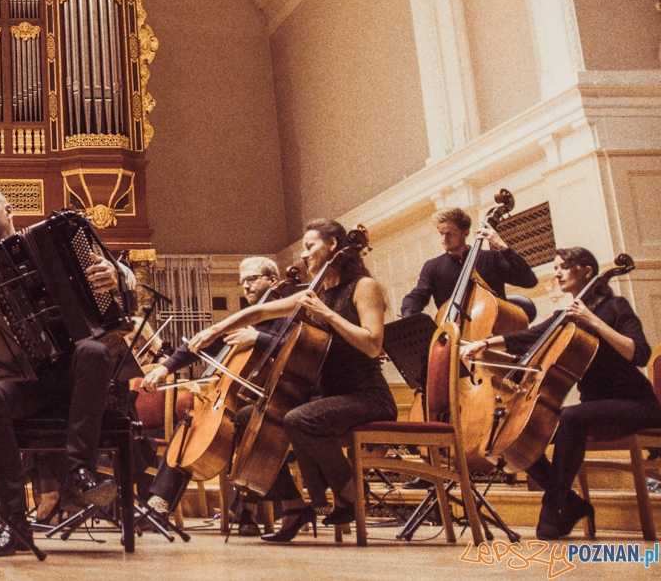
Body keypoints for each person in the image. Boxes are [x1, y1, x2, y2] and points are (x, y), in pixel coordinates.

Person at [0, 190, 134, 556]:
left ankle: (79, 472)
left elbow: (124, 286)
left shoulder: (61, 245)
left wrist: (115, 276)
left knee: (94, 350)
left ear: (9, 211)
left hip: (79, 376)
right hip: (27, 382)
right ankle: (15, 523)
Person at [207, 219, 396, 541]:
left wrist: (328, 313)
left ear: (333, 245)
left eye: (310, 246)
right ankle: (294, 506)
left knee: (299, 419)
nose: (304, 254)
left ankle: (352, 494)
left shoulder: (364, 287)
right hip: (331, 398)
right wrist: (214, 330)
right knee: (247, 417)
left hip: (367, 396)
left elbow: (373, 344)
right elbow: (259, 313)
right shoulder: (316, 291)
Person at [460, 246, 660, 539]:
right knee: (515, 436)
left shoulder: (615, 307)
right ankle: (572, 502)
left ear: (587, 271)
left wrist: (593, 320)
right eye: (555, 268)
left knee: (570, 418)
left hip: (635, 404)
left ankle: (552, 504)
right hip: (594, 408)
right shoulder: (565, 315)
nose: (556, 273)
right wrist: (485, 344)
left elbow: (639, 354)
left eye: (563, 267)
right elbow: (527, 337)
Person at [138, 256, 300, 535]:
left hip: (283, 401)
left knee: (247, 426)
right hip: (239, 402)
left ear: (273, 281)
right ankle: (160, 504)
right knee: (189, 426)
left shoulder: (291, 316)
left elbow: (297, 351)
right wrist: (165, 368)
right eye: (242, 282)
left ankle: (246, 510)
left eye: (252, 279)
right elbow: (199, 344)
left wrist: (259, 340)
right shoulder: (247, 323)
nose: (245, 286)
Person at [401, 206, 538, 320]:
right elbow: (417, 295)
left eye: (450, 233)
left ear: (465, 233)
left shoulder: (491, 258)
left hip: (493, 331)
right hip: (455, 335)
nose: (444, 239)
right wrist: (408, 315)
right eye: (441, 233)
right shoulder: (433, 267)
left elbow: (529, 281)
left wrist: (504, 248)